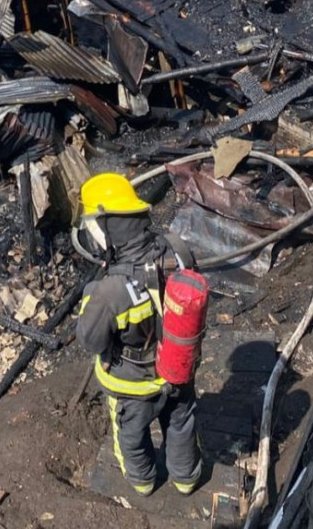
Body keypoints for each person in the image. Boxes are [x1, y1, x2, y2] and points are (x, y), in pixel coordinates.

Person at [75, 173, 201, 497]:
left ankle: (143, 482)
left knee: (130, 435)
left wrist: (91, 299)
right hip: (177, 367)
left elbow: (91, 340)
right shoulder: (176, 248)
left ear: (106, 228)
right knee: (182, 424)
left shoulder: (108, 291)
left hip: (133, 384)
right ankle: (186, 479)